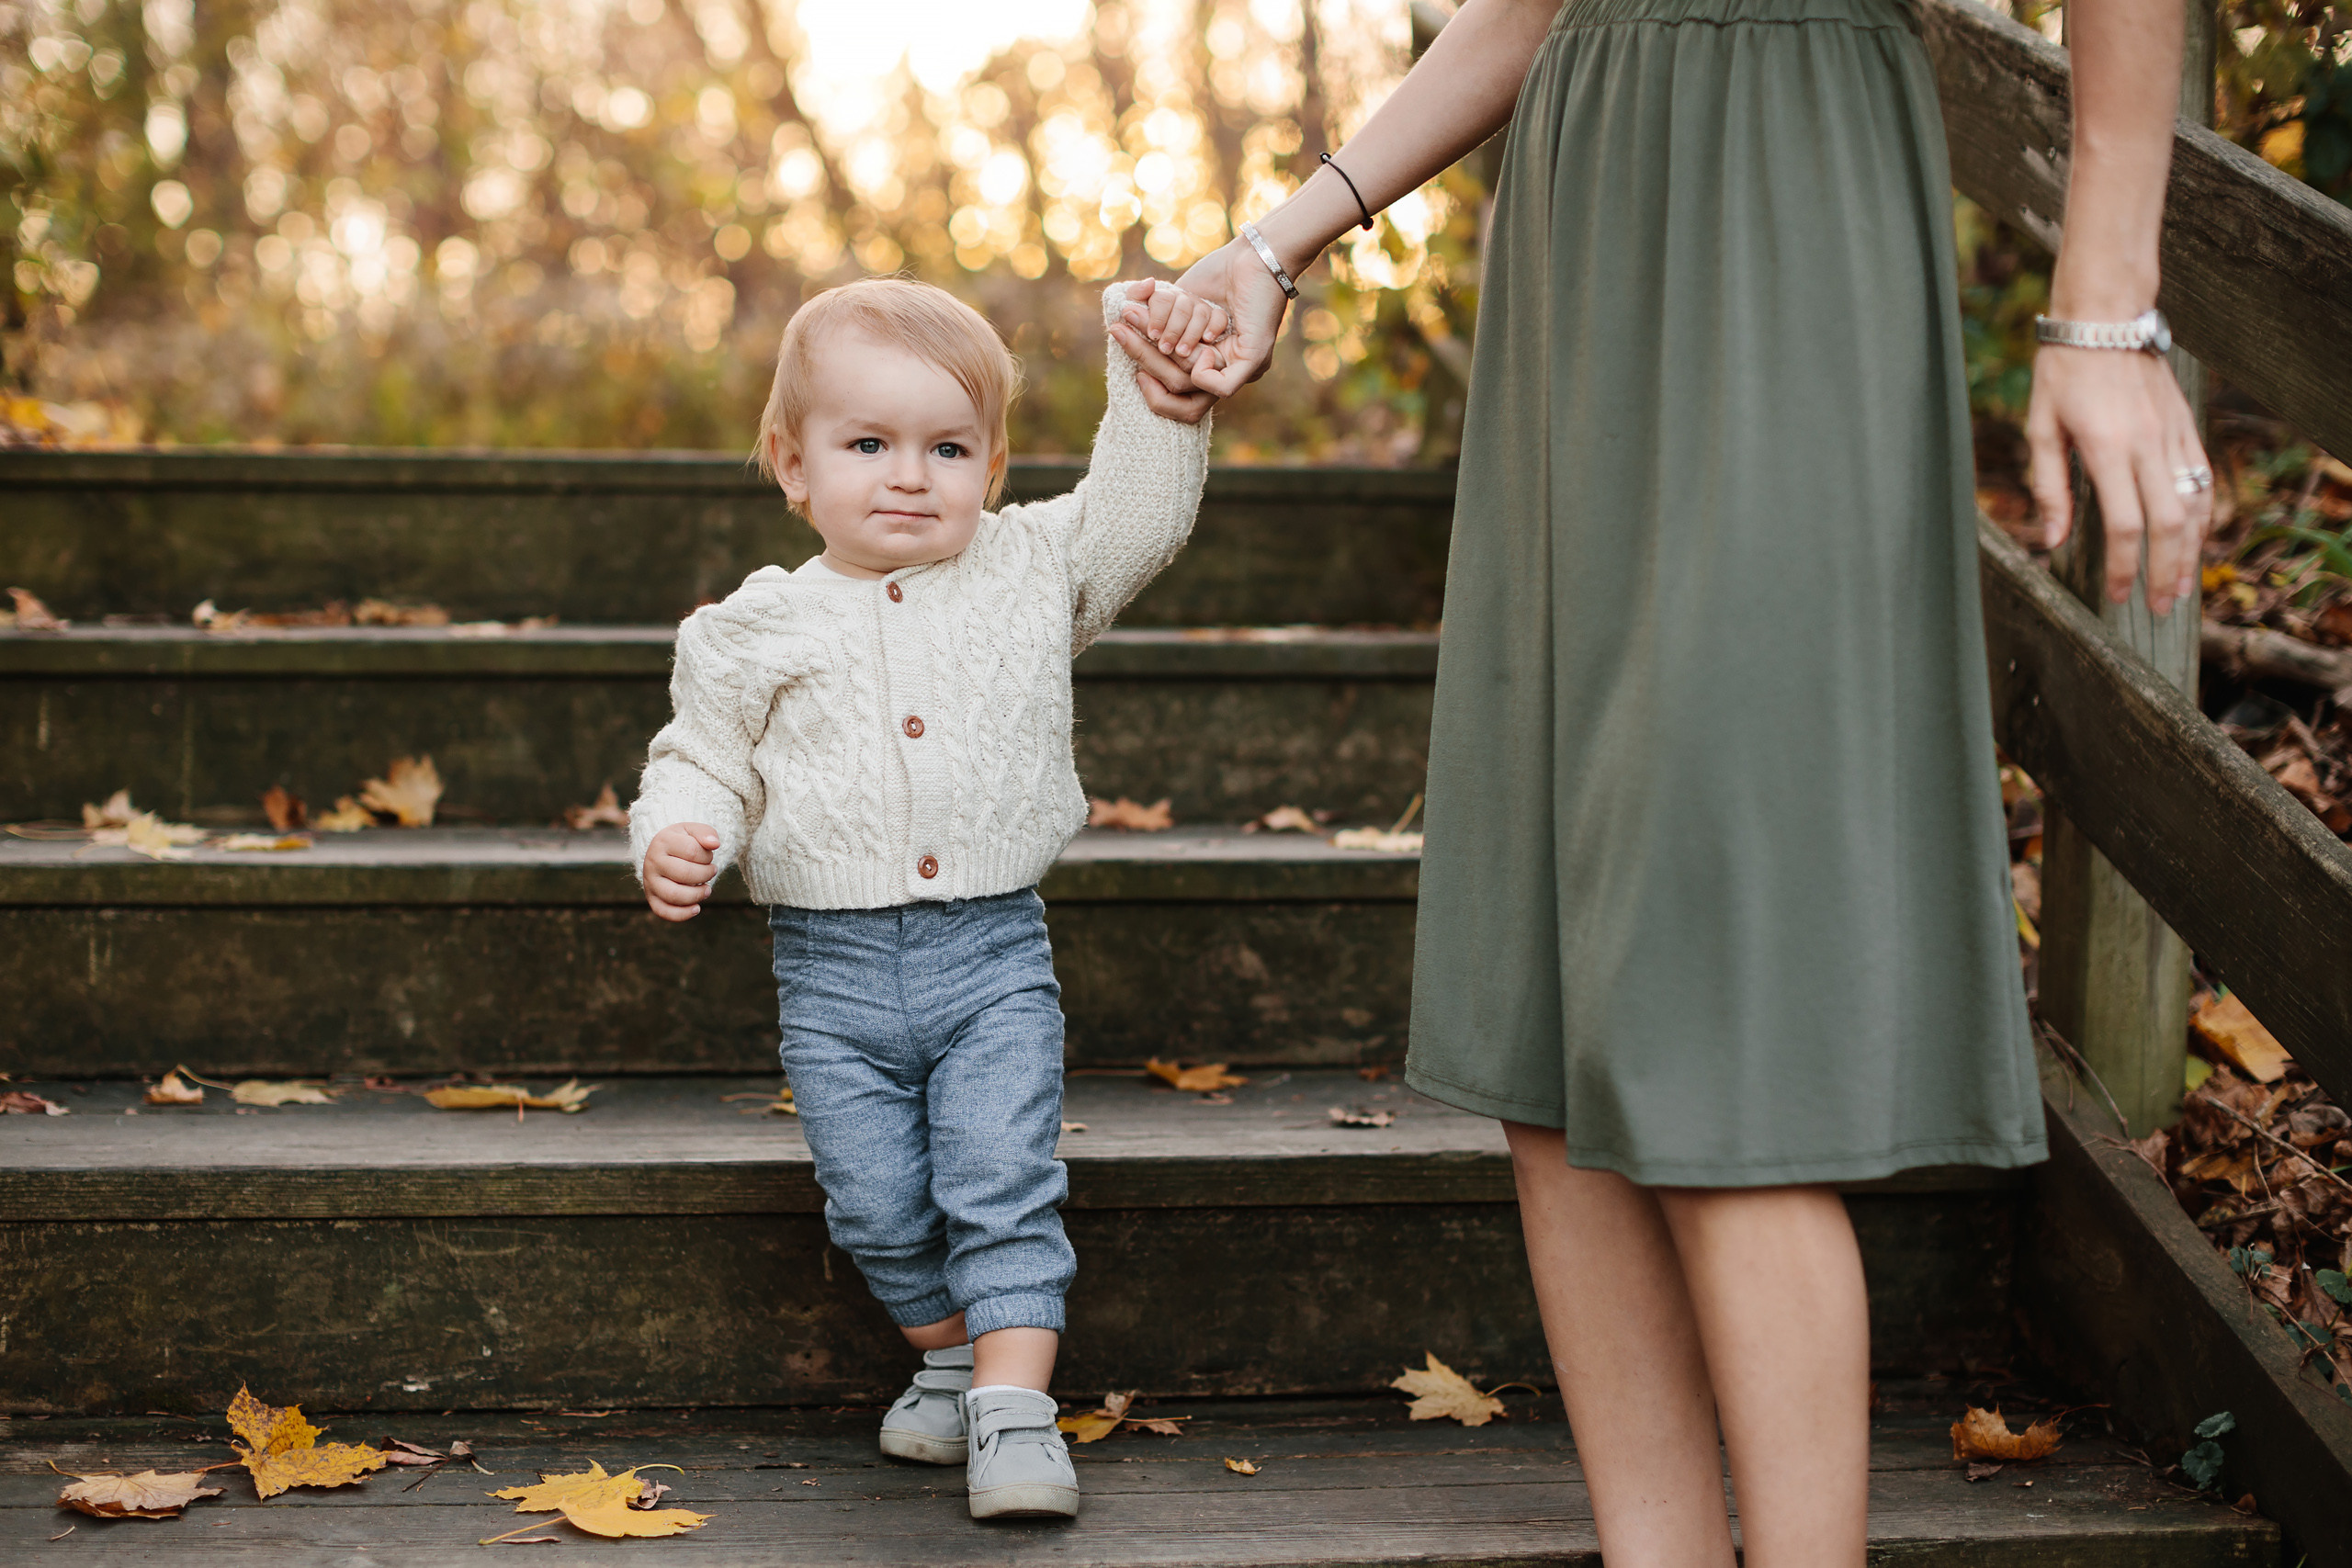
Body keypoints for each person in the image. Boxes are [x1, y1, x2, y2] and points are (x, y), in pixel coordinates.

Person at [1168, 0, 2215, 1562]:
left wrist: (2107, 301)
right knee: (1545, 1012)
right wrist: (1269, 249)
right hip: (1583, 231)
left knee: (1715, 1015)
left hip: (1787, 193)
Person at [628, 275, 1223, 1520]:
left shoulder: (1027, 572)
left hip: (991, 955)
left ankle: (1014, 1408)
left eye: (947, 447)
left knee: (999, 1175)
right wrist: (682, 831)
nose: (911, 475)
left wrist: (1152, 385)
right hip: (830, 975)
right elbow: (703, 756)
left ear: (992, 464)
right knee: (876, 1200)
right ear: (794, 467)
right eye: (868, 445)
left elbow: (1137, 516)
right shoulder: (754, 626)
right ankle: (948, 1357)